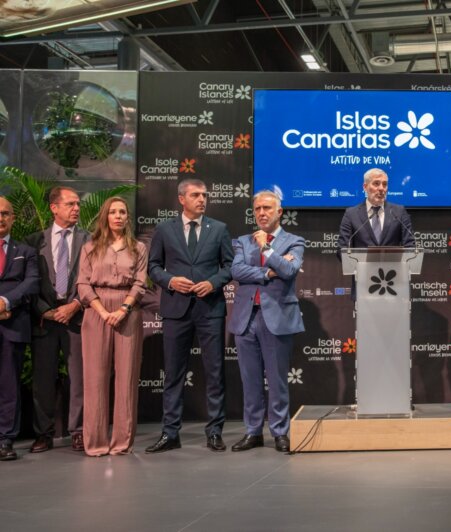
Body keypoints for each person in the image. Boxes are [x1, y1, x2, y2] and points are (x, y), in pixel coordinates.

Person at [146, 179, 234, 453]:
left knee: (215, 372)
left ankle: (215, 432)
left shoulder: (219, 229)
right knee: (173, 373)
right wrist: (170, 281)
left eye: (205, 195)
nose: (202, 199)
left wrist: (214, 282)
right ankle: (170, 433)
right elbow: (153, 267)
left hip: (210, 309)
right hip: (176, 309)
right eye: (196, 195)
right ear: (181, 199)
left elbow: (230, 266)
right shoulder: (164, 229)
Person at [229, 191, 304, 453]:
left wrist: (267, 248)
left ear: (279, 212)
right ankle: (253, 432)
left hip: (278, 318)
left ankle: (280, 432)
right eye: (258, 208)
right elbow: (236, 271)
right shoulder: (241, 241)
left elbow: (290, 271)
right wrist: (270, 270)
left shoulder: (294, 241)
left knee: (277, 380)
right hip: (246, 318)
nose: (261, 213)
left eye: (267, 208)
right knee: (250, 380)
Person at [77, 197, 147, 456]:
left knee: (127, 378)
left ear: (128, 217)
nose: (118, 216)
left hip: (127, 310)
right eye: (113, 212)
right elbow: (83, 284)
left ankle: (121, 443)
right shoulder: (90, 248)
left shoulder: (139, 248)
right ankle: (95, 443)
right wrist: (103, 311)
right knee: (95, 378)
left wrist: (123, 309)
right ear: (105, 216)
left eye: (123, 212)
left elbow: (140, 283)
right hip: (96, 311)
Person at [26, 186, 90, 453]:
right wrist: (44, 310)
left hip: (75, 317)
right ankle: (44, 433)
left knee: (79, 378)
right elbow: (29, 282)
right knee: (42, 379)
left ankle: (78, 431)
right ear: (54, 208)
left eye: (78, 204)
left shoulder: (89, 239)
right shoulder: (33, 241)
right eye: (70, 204)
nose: (76, 208)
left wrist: (74, 305)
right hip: (45, 319)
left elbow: (92, 280)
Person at [0, 196, 39, 462]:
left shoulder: (26, 251)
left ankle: (5, 439)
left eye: (5, 213)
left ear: (13, 218)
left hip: (12, 326)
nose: (0, 217)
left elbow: (32, 282)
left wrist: (4, 301)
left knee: (8, 386)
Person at [337, 168, 415, 253]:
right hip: (361, 266)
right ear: (365, 187)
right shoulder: (351, 214)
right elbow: (342, 250)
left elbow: (410, 246)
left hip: (392, 266)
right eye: (376, 184)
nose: (381, 188)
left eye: (384, 184)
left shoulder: (399, 212)